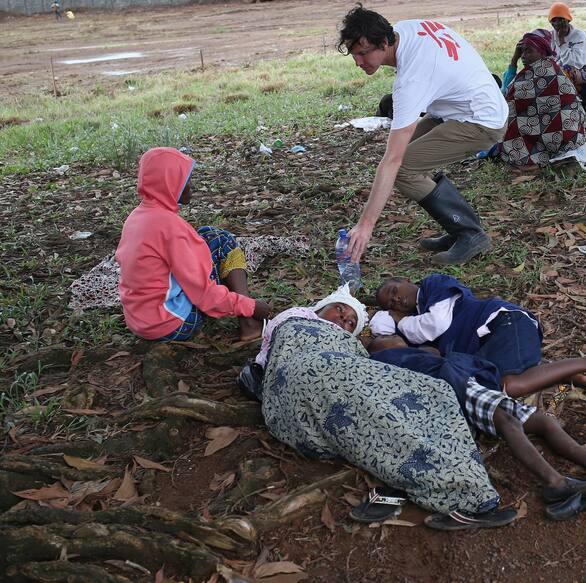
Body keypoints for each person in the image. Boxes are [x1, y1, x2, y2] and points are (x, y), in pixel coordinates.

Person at [255, 308, 517, 530]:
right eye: (341, 310)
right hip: (311, 376)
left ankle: (433, 482)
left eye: (350, 323)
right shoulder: (294, 319)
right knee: (377, 410)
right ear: (321, 307)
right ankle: (466, 497)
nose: (343, 319)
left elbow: (371, 354)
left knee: (436, 392)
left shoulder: (352, 347)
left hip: (316, 404)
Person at [369, 335, 586, 520]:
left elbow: (435, 353)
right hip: (453, 387)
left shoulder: (416, 352)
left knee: (543, 420)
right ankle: (555, 482)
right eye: (386, 341)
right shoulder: (389, 360)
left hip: (465, 384)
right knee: (506, 420)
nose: (395, 339)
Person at [338, 5, 508, 266]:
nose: (358, 62)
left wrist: (365, 226)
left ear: (384, 42)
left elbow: (392, 161)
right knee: (408, 159)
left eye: (363, 53)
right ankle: (459, 228)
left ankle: (469, 233)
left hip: (481, 120)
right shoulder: (405, 30)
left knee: (403, 168)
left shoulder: (411, 80)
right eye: (354, 54)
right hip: (460, 107)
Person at [370, 274, 586, 396]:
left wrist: (399, 321)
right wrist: (387, 321)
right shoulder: (416, 322)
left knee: (507, 386)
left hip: (503, 322)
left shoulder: (431, 287)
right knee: (490, 386)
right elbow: (394, 343)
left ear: (404, 279)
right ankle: (565, 373)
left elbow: (435, 324)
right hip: (488, 345)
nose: (397, 299)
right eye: (391, 303)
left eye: (394, 290)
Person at [116, 147, 271, 342]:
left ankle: (246, 320)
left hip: (140, 322)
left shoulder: (137, 217)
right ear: (170, 182)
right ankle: (249, 323)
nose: (191, 185)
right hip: (171, 326)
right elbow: (204, 293)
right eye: (185, 179)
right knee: (222, 241)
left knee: (207, 234)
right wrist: (251, 306)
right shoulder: (170, 227)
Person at [496, 29, 586, 171]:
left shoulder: (541, 71)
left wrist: (513, 62)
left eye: (529, 51)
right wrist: (514, 60)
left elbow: (508, 100)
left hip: (561, 138)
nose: (523, 56)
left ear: (541, 52)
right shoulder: (549, 67)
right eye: (521, 52)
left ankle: (530, 161)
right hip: (574, 136)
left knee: (510, 119)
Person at [547, 2, 586, 101]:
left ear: (568, 20)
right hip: (562, 77)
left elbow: (572, 64)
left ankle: (573, 99)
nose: (558, 23)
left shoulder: (579, 36)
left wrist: (562, 41)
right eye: (554, 20)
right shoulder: (549, 36)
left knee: (567, 69)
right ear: (550, 22)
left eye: (561, 19)